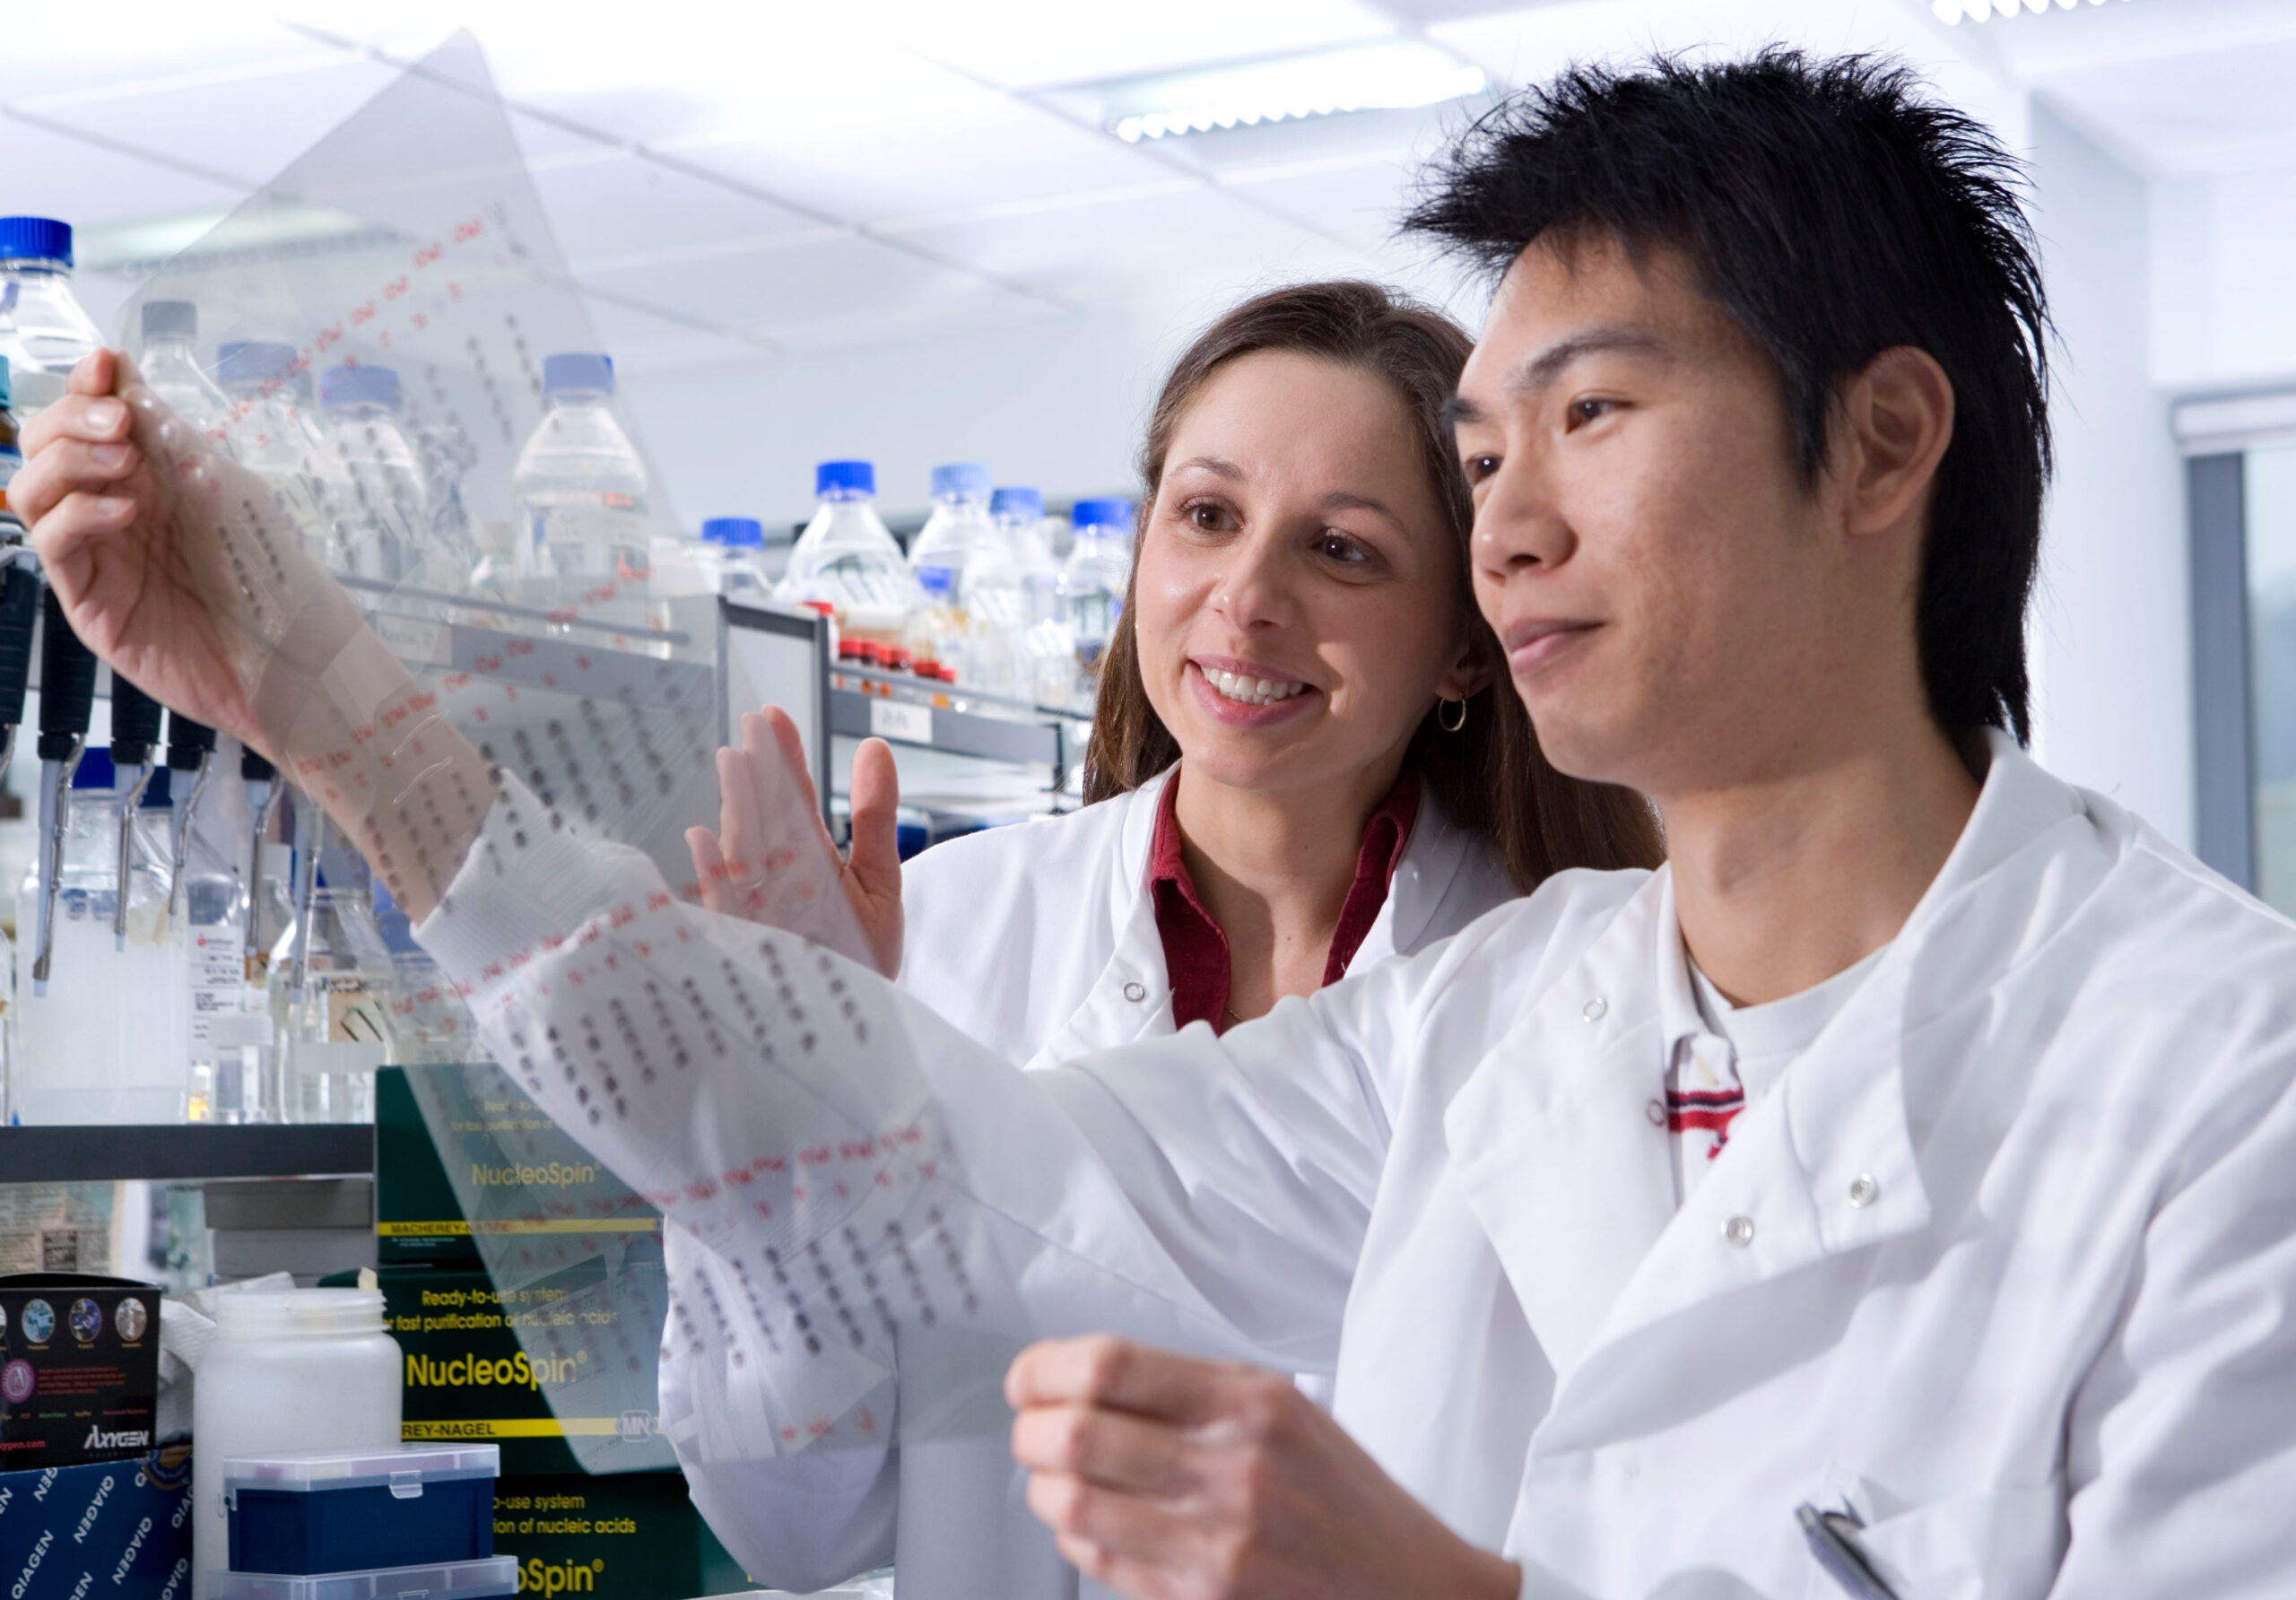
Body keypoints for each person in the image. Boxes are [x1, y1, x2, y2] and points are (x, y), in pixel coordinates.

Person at [20, 48, 2296, 1600]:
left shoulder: (2218, 1084)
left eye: (1588, 417)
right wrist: (309, 691)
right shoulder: (1496, 1025)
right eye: (1485, 460)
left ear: (1883, 446)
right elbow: (925, 1157)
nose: (1508, 531)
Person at [683, 280, 1659, 1596]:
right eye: (1207, 517)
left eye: (1343, 550)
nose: (1246, 597)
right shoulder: (947, 936)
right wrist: (776, 1110)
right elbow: (797, 1531)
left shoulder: (1564, 996)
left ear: (1465, 652)